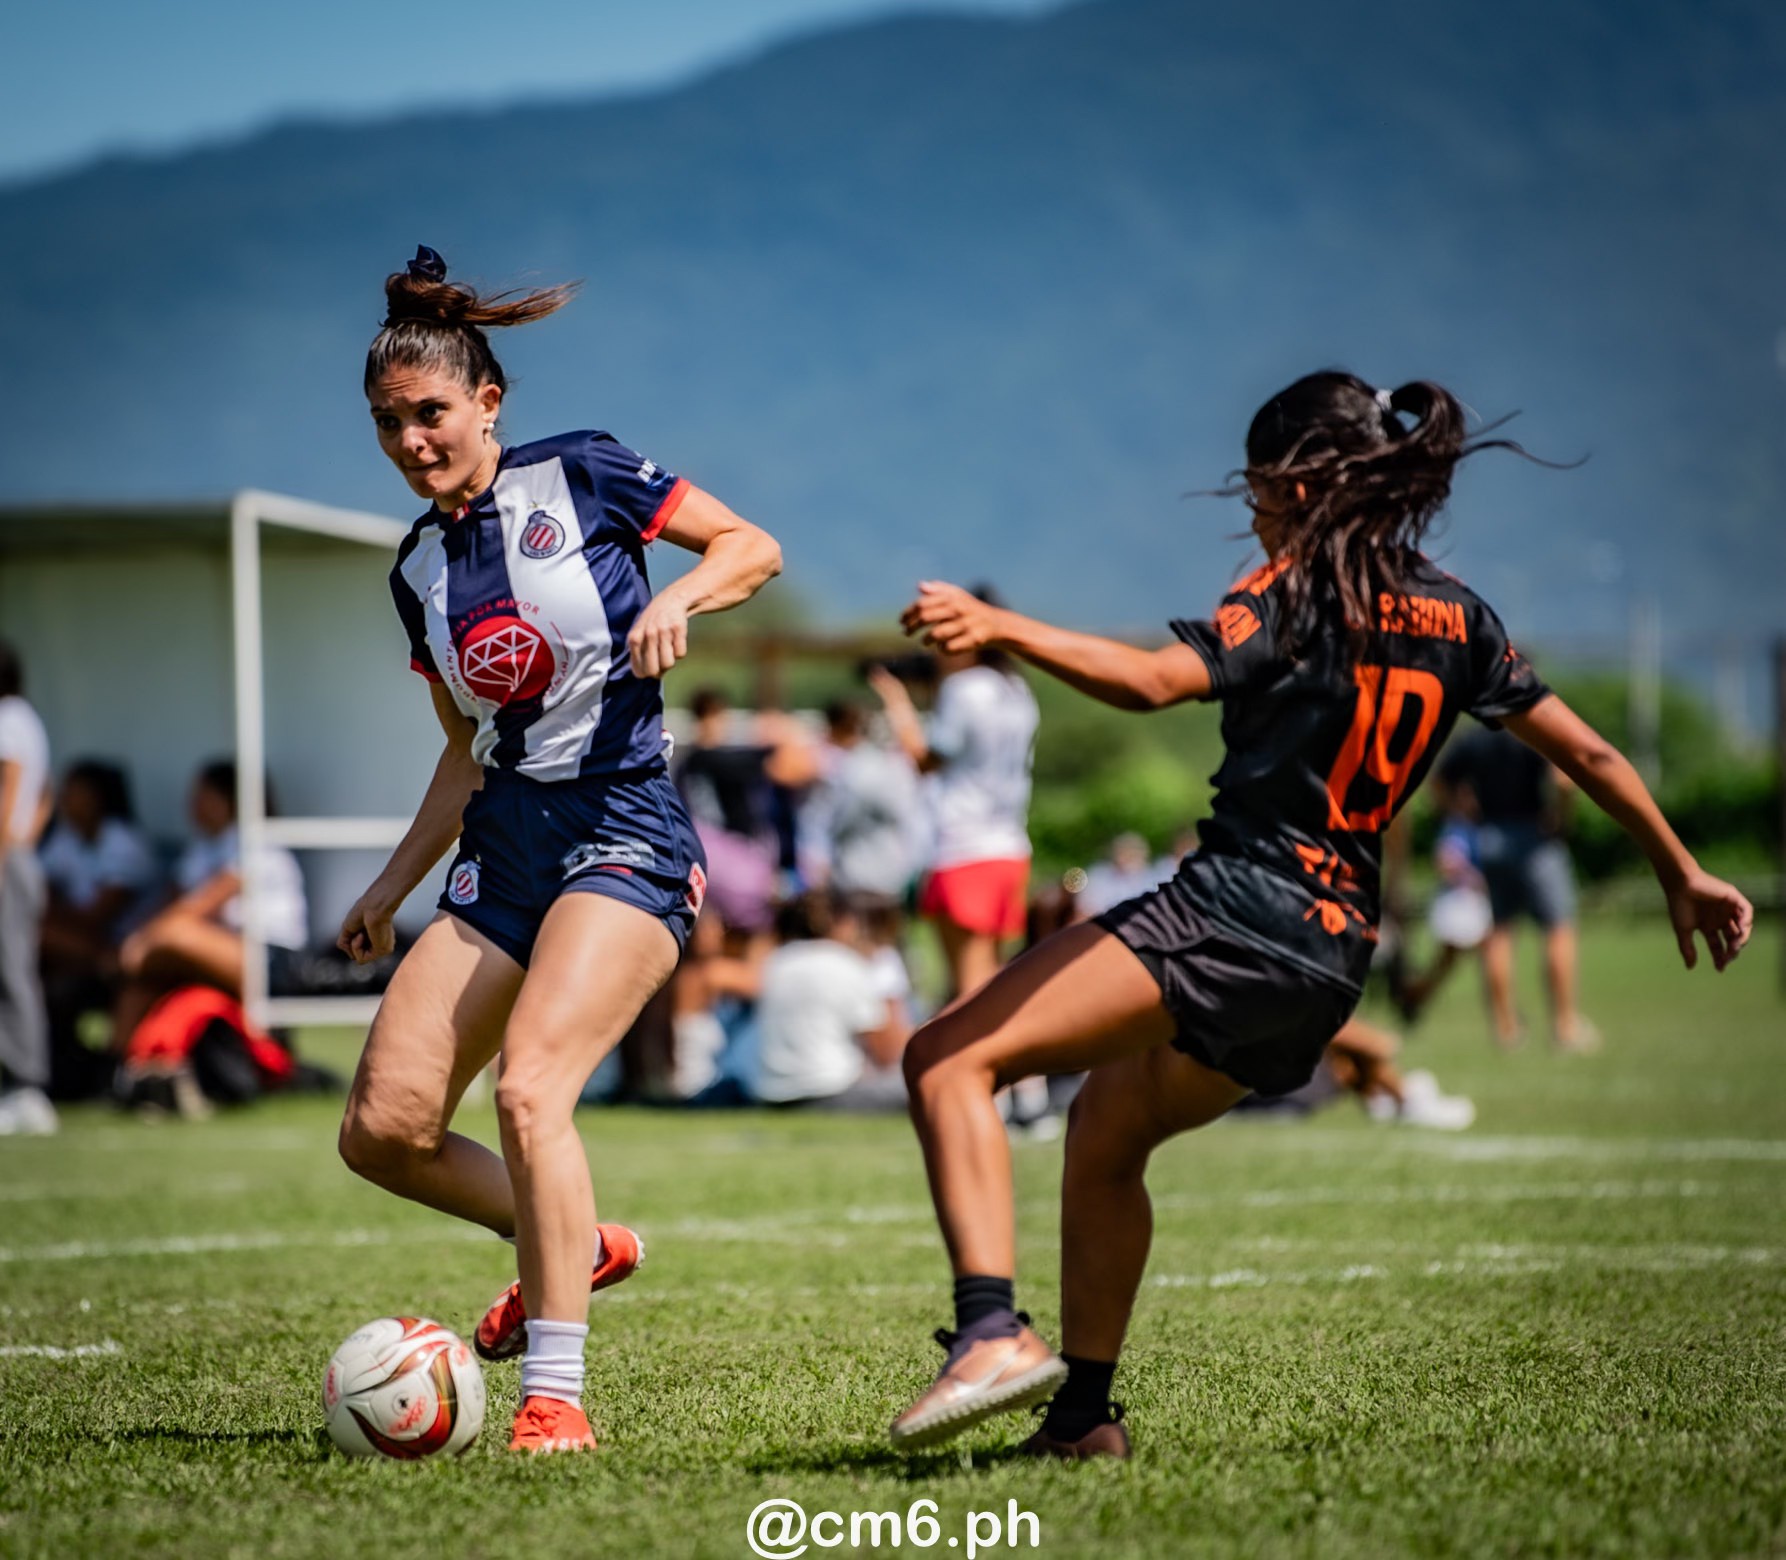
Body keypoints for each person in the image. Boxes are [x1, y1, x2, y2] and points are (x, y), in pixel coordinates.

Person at [881, 372, 1753, 1459]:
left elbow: (1154, 681)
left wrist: (1003, 627)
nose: (1250, 509)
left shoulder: (1291, 590)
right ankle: (1083, 1420)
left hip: (1234, 911)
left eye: (1255, 486)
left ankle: (990, 1334)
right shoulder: (1458, 613)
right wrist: (1682, 870)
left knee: (945, 1058)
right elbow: (1591, 752)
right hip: (1332, 960)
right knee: (1108, 1125)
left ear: (1297, 483)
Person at [333, 247, 781, 1454]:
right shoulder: (416, 571)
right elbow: (464, 751)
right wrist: (387, 889)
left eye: (431, 413)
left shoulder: (581, 471)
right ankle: (569, 1247)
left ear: (487, 402)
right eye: (388, 424)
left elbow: (751, 546)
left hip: (624, 826)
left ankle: (555, 1397)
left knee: (531, 1088)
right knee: (382, 1130)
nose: (411, 441)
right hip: (505, 846)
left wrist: (679, 597)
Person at [870, 589, 1039, 1003]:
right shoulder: (1016, 689)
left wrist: (897, 702)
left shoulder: (963, 689)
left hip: (964, 847)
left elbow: (925, 760)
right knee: (993, 980)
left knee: (969, 992)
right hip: (1010, 846)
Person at [112, 760, 309, 1049]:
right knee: (142, 985)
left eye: (201, 795)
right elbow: (171, 902)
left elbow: (197, 907)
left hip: (274, 959)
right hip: (221, 949)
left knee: (174, 934)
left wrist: (140, 944)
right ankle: (119, 1064)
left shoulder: (255, 842)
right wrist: (139, 941)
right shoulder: (203, 847)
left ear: (227, 800)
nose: (191, 804)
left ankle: (265, 1051)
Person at [1438, 725, 1591, 1049]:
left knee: (1500, 931)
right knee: (1558, 928)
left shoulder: (1475, 738)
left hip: (1490, 837)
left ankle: (1506, 1028)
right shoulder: (1534, 731)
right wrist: (1561, 819)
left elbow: (1439, 780)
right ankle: (1565, 1026)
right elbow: (1564, 781)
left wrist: (1459, 813)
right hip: (1536, 837)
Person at [37, 759, 160, 1097]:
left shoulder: (124, 842)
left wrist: (48, 914)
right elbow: (39, 888)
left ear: (98, 797)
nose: (64, 799)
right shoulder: (67, 838)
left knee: (35, 933)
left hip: (125, 950)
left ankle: (107, 1075)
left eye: (73, 791)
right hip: (85, 949)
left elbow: (96, 918)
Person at [740, 891, 910, 1109]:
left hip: (771, 1095)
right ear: (843, 923)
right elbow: (887, 1053)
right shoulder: (848, 963)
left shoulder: (776, 960)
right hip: (833, 1093)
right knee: (918, 1083)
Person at [0, 639, 56, 1135]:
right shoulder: (26, 719)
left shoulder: (7, 719)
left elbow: (8, 789)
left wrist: (6, 849)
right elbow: (43, 794)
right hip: (18, 855)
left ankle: (25, 1086)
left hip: (6, 859)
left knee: (11, 971)